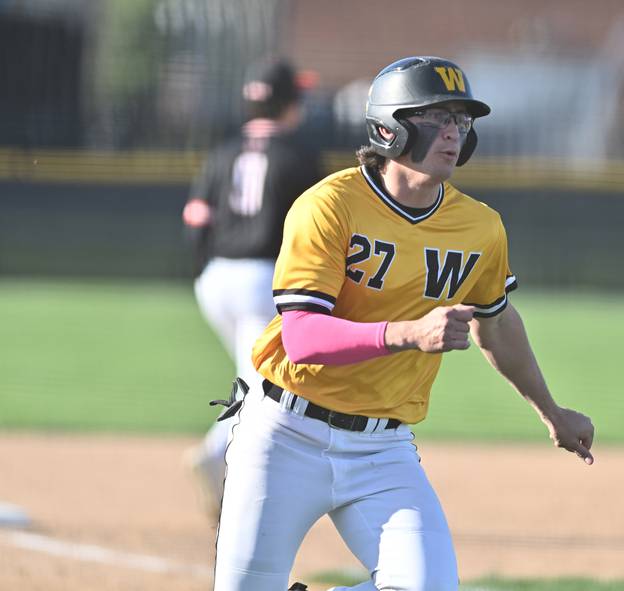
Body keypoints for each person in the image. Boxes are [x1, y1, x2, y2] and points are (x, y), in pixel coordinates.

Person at [212, 56, 595, 591]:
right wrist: (408, 332)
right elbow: (301, 337)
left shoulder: (480, 227)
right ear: (390, 127)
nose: (453, 133)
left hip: (381, 447)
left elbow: (498, 324)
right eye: (437, 117)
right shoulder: (330, 205)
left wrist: (550, 411)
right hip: (284, 433)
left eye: (462, 121)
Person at [182, 58, 323, 519]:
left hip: (216, 279)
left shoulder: (223, 152)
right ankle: (217, 453)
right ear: (290, 102)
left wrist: (210, 265)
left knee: (253, 376)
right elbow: (320, 229)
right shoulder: (300, 156)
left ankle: (235, 466)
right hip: (264, 280)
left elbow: (195, 220)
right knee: (263, 384)